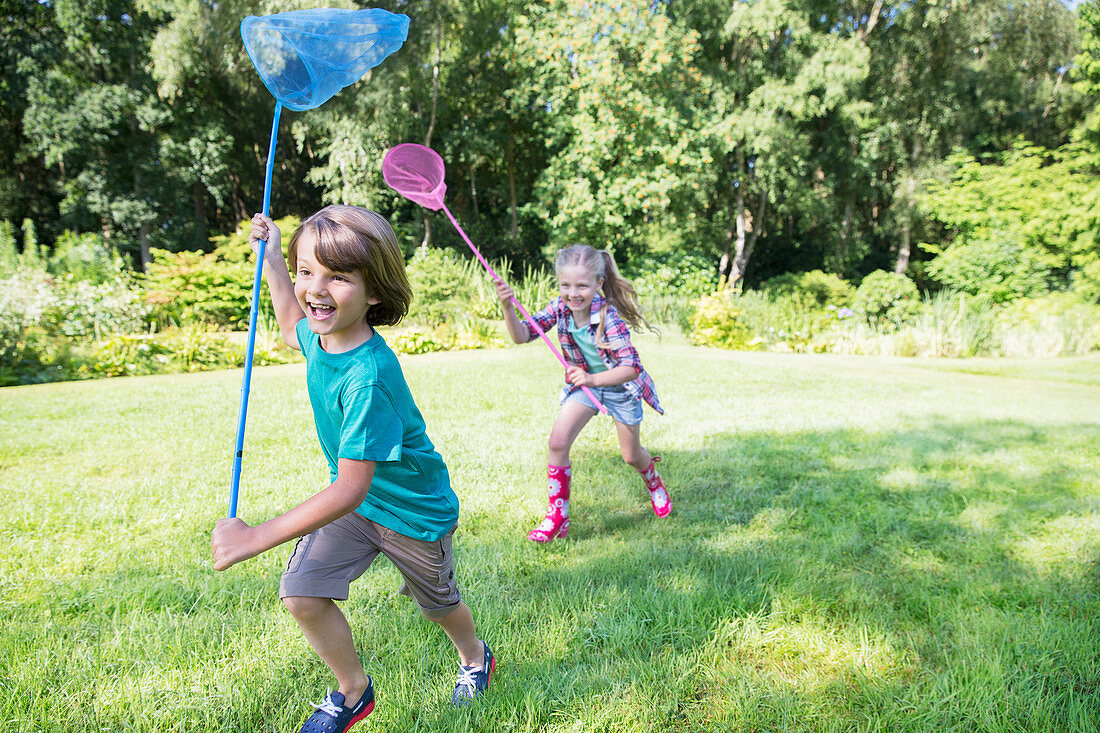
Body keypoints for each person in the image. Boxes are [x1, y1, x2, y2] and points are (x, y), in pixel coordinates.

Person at [211, 205, 493, 733]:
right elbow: (290, 323)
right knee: (301, 593)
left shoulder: (368, 378)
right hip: (359, 505)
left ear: (375, 291)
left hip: (412, 512)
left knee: (437, 604)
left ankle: (476, 657)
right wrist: (274, 262)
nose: (316, 288)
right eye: (307, 271)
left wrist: (255, 538)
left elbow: (347, 487)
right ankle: (352, 691)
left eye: (337, 276)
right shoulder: (321, 338)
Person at [494, 243, 670, 543]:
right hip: (584, 388)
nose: (573, 293)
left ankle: (652, 479)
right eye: (565, 285)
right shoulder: (559, 308)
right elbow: (523, 335)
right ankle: (557, 517)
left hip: (619, 388)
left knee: (630, 455)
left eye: (582, 286)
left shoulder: (608, 317)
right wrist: (508, 307)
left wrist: (592, 378)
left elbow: (631, 367)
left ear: (598, 284)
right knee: (558, 442)